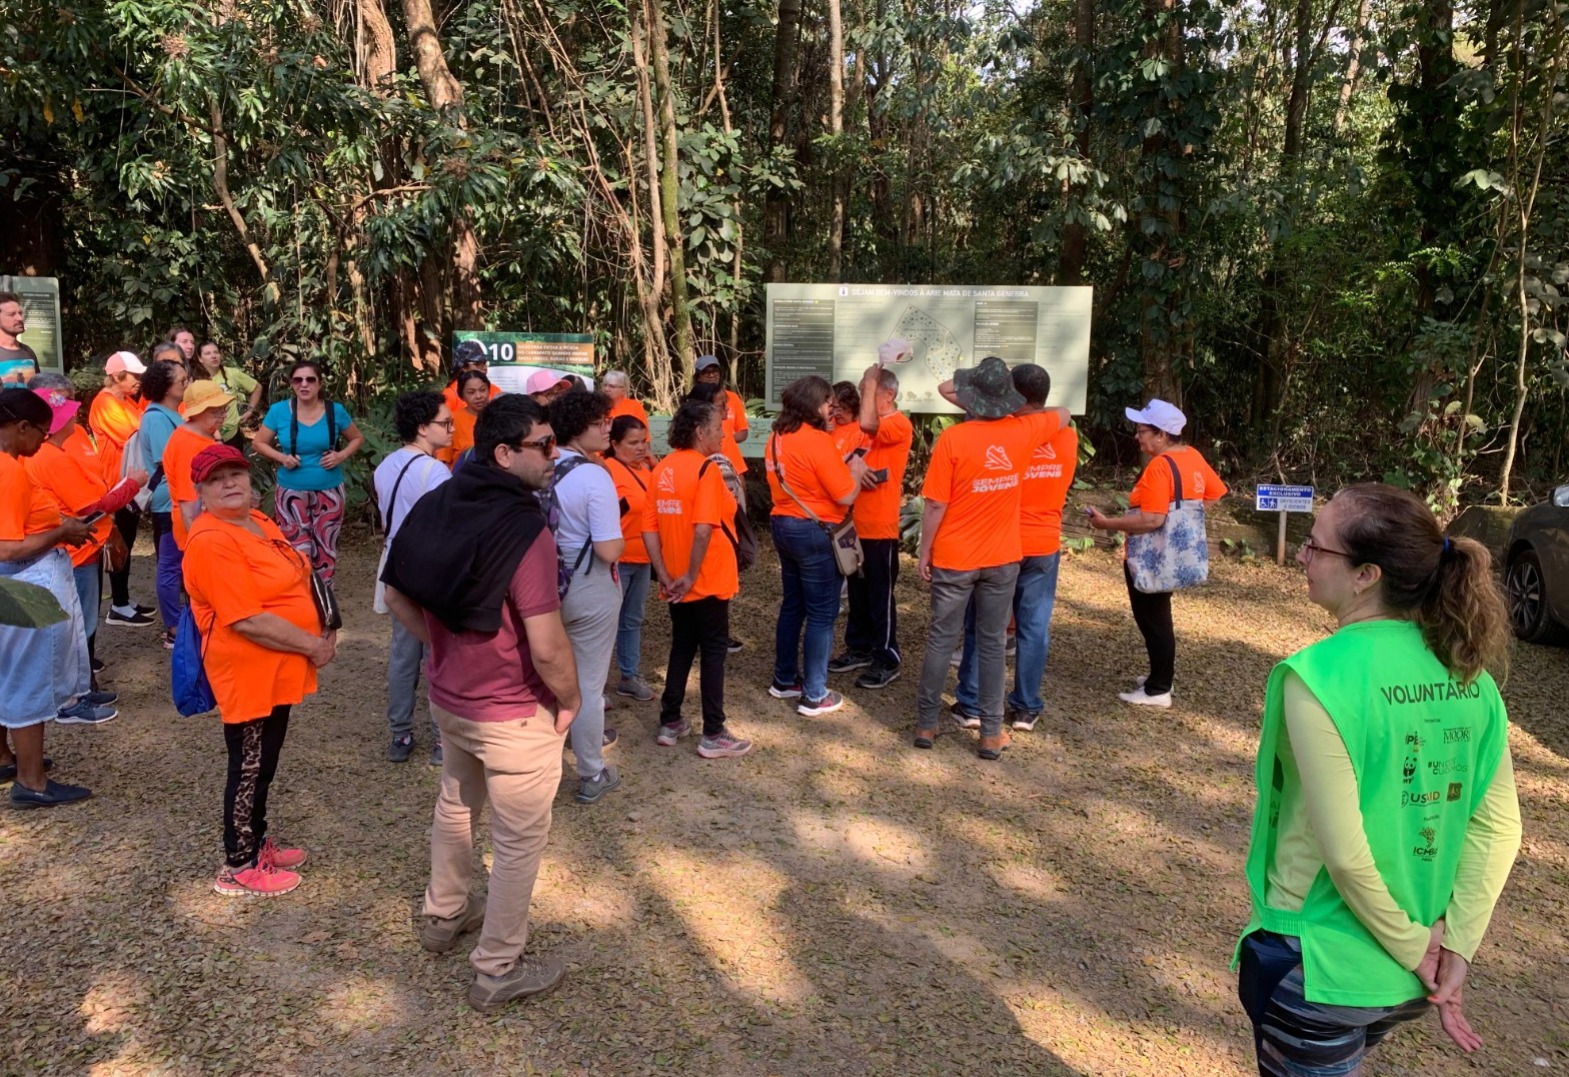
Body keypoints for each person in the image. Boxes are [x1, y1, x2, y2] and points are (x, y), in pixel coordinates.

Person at [1236, 484, 1521, 1076]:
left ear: (1366, 575)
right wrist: (1454, 950)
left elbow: (1344, 855)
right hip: (1408, 979)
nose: (1302, 557)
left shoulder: (1318, 677)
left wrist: (1421, 950)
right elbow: (1498, 830)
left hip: (1323, 965)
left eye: (1316, 547)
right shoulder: (1471, 677)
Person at [381, 394, 579, 1011]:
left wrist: (441, 650)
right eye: (544, 446)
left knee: (457, 804)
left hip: (450, 698)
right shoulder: (526, 530)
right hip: (514, 711)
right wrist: (569, 700)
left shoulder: (441, 500)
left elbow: (395, 596)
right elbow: (546, 646)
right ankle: (497, 968)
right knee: (518, 841)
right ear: (504, 453)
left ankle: (443, 915)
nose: (555, 455)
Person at [182, 443, 334, 897]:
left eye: (236, 474)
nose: (229, 484)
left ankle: (258, 840)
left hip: (277, 668)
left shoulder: (259, 520)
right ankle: (238, 863)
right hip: (247, 671)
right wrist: (313, 645)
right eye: (216, 479)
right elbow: (245, 618)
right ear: (201, 491)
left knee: (264, 763)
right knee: (249, 767)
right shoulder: (211, 540)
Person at [914, 357, 1070, 758]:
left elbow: (934, 506)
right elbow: (1064, 413)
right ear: (1009, 399)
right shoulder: (1025, 430)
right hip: (1002, 557)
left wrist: (924, 551)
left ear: (971, 400)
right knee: (993, 643)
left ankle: (927, 726)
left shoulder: (953, 439)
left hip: (954, 556)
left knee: (941, 639)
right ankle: (990, 734)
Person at [953, 364, 1077, 729]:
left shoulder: (1008, 432)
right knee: (1033, 628)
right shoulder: (1066, 435)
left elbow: (953, 393)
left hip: (1001, 542)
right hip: (1044, 543)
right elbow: (1062, 415)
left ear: (1015, 395)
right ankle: (1026, 706)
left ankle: (972, 703)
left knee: (985, 625)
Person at [1087, 398, 1226, 708]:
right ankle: (1159, 676)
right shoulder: (1192, 456)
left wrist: (1106, 523)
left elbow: (1152, 519)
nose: (1138, 437)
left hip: (1152, 558)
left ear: (1162, 435)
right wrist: (1188, 520)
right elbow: (1215, 492)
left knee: (1153, 620)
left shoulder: (1160, 468)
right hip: (1177, 554)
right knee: (1159, 616)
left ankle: (1159, 689)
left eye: (1142, 431)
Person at [0, 389, 97, 807]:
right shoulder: (6, 468)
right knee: (28, 677)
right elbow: (6, 548)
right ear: (21, 427)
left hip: (18, 579)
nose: (43, 441)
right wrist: (62, 532)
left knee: (7, 671)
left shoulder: (12, 465)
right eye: (41, 431)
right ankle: (31, 780)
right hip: (21, 581)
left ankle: (6, 757)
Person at [641, 399, 751, 758]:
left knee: (683, 646)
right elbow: (704, 528)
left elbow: (649, 528)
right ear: (700, 431)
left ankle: (670, 720)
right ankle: (713, 732)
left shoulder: (662, 468)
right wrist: (690, 575)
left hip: (676, 578)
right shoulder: (705, 470)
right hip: (705, 578)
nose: (723, 433)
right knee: (714, 651)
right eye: (719, 427)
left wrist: (664, 574)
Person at [23, 378, 143, 698]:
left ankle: (77, 685)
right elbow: (92, 506)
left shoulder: (39, 453)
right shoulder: (52, 458)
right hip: (72, 551)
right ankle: (78, 691)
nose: (74, 419)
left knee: (71, 623)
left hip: (64, 549)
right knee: (78, 624)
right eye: (68, 415)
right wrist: (133, 485)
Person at [764, 374, 869, 717]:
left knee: (793, 605)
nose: (831, 408)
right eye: (827, 402)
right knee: (823, 614)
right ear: (814, 405)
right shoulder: (817, 441)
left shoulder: (777, 437)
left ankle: (784, 679)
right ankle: (814, 693)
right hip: (815, 529)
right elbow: (845, 494)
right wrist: (854, 469)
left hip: (783, 523)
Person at [544, 389, 625, 804]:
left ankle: (538, 771)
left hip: (542, 588)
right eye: (601, 422)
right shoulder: (595, 475)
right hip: (589, 585)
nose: (607, 428)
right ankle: (591, 772)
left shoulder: (543, 465)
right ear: (580, 427)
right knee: (587, 685)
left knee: (547, 680)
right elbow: (610, 550)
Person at [374, 390, 454, 764]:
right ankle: (442, 737)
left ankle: (400, 734)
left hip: (395, 564)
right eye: (445, 423)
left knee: (403, 653)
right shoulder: (435, 471)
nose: (451, 429)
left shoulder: (385, 465)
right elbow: (443, 528)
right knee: (437, 651)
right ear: (423, 428)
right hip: (429, 567)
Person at [828, 366, 913, 690]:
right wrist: (852, 466)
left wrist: (874, 372)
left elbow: (868, 426)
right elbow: (843, 456)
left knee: (880, 594)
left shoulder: (896, 423)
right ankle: (859, 647)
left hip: (879, 526)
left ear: (887, 395)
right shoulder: (860, 429)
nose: (862, 397)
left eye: (868, 391)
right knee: (858, 591)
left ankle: (887, 657)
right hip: (852, 523)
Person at [253, 359, 364, 584]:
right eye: (298, 380)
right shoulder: (279, 411)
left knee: (325, 549)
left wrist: (340, 456)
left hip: (329, 491)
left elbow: (357, 438)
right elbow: (258, 443)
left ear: (320, 384)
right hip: (291, 493)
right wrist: (282, 458)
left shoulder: (335, 411)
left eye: (310, 379)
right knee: (295, 549)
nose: (304, 385)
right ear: (292, 384)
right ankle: (300, 598)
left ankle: (324, 603)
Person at [90, 350, 156, 627]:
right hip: (113, 484)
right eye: (134, 375)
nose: (139, 380)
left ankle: (122, 599)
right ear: (117, 376)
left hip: (128, 483)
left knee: (125, 542)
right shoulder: (105, 404)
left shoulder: (126, 400)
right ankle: (117, 605)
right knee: (120, 544)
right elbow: (138, 433)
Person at [137, 357, 189, 645]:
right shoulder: (157, 418)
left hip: (180, 498)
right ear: (166, 386)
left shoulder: (170, 414)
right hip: (169, 501)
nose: (186, 384)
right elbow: (170, 461)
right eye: (182, 380)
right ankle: (173, 627)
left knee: (179, 563)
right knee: (169, 564)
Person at [607, 414, 656, 701]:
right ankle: (595, 683)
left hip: (643, 557)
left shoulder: (647, 469)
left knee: (633, 618)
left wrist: (655, 463)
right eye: (633, 443)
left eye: (643, 442)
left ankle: (629, 674)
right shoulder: (609, 469)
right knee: (607, 620)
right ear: (615, 444)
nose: (640, 447)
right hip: (618, 558)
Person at [163, 381, 235, 551]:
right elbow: (189, 502)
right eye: (216, 411)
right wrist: (200, 545)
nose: (223, 415)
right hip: (199, 532)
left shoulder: (201, 437)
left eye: (224, 409)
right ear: (198, 413)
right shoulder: (188, 444)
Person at [192, 341, 262, 447]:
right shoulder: (194, 380)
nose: (213, 356)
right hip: (207, 438)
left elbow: (257, 387)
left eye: (216, 352)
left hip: (232, 436)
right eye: (208, 353)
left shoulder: (231, 373)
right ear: (200, 359)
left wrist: (250, 411)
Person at [694, 354, 748, 476]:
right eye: (706, 372)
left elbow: (743, 432)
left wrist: (724, 439)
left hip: (731, 459)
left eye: (715, 371)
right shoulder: (694, 402)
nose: (712, 375)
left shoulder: (733, 397)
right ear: (698, 376)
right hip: (703, 461)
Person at [437, 368, 491, 470]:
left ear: (489, 390)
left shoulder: (499, 417)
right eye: (471, 392)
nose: (478, 396)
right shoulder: (452, 421)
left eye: (482, 390)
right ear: (462, 396)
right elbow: (443, 461)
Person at [442, 339, 502, 415]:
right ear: (464, 367)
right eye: (478, 364)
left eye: (484, 363)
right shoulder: (450, 394)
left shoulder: (494, 390)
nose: (484, 367)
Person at [0, 291, 41, 385]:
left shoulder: (28, 351)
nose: (20, 318)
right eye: (12, 314)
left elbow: (38, 389)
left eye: (20, 313)